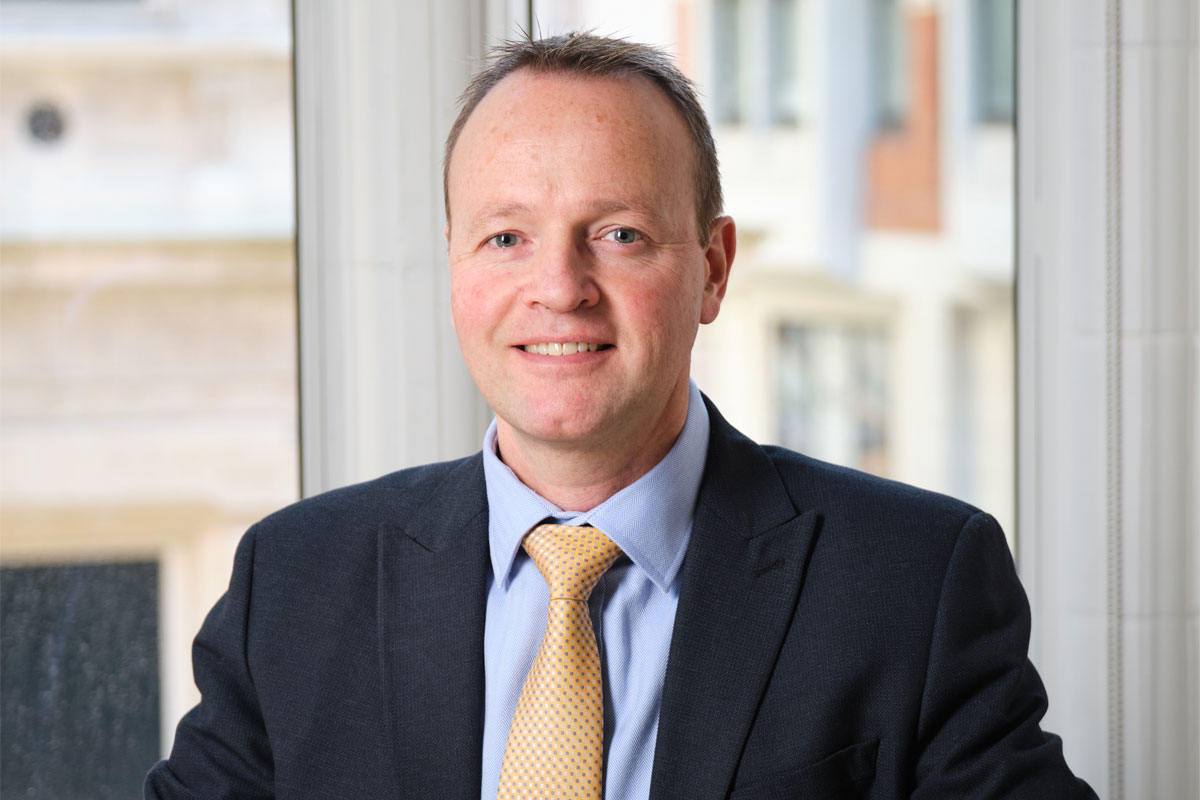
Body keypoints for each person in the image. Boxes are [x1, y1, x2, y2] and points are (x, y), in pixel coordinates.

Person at [146, 33, 1096, 799]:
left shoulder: (911, 584)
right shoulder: (298, 582)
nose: (558, 288)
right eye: (506, 237)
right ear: (454, 264)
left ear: (713, 268)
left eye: (620, 235)